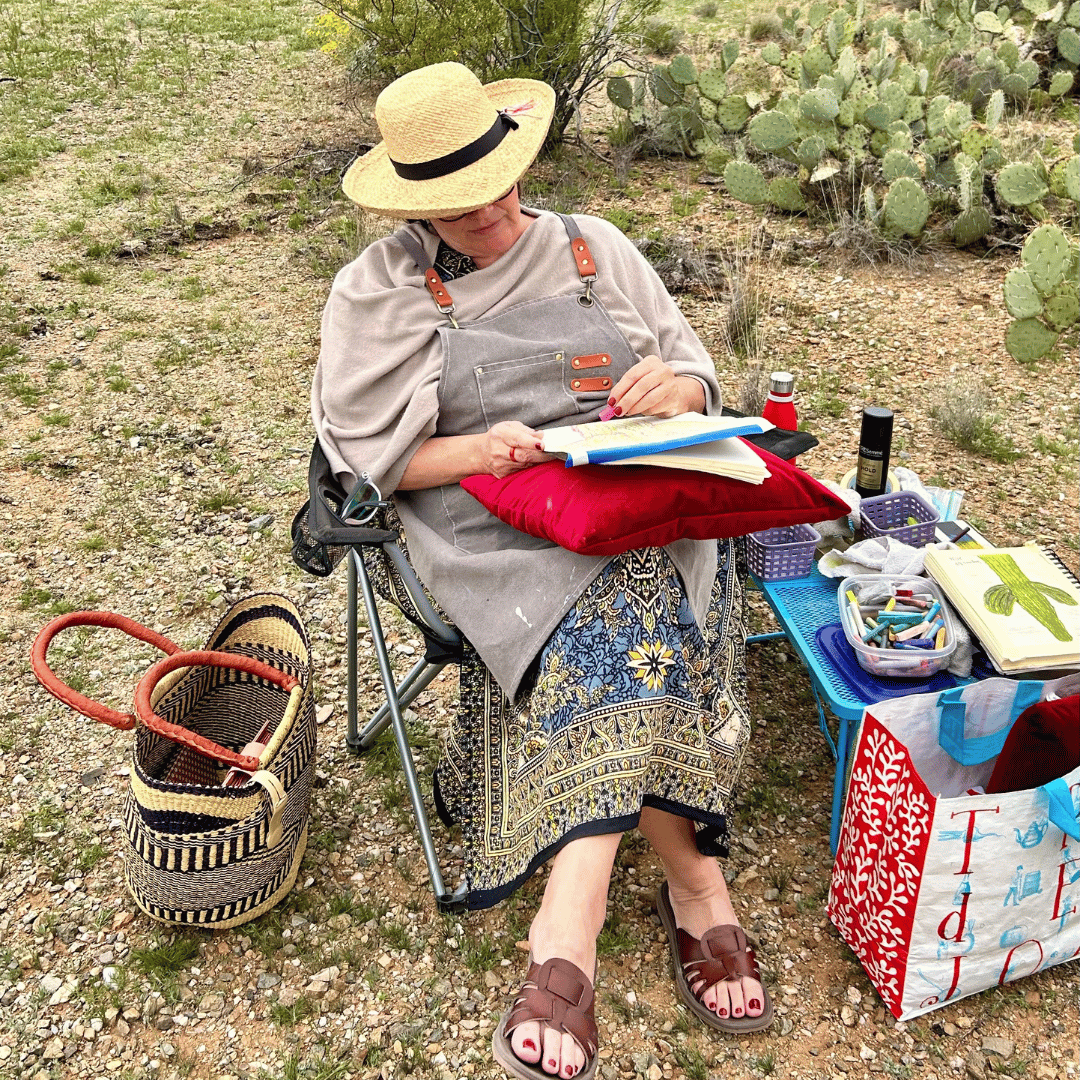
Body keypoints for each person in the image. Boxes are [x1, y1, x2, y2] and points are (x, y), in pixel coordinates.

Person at [312, 62, 773, 1080]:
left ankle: (568, 932)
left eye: (503, 185)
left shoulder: (591, 248)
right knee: (638, 593)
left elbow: (694, 368)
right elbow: (365, 464)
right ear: (414, 204)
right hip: (477, 528)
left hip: (626, 502)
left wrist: (675, 388)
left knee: (637, 570)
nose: (492, 213)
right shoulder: (376, 291)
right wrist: (483, 452)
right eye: (461, 207)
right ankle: (695, 889)